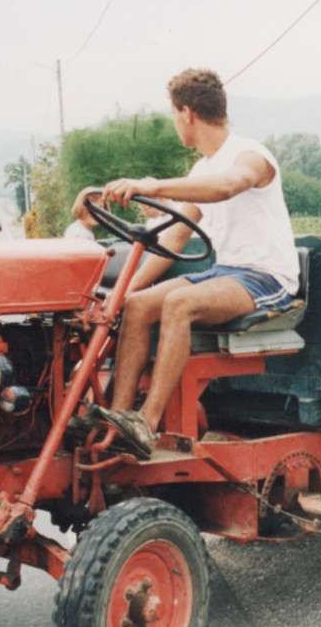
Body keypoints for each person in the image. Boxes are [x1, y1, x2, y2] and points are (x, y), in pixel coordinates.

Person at [80, 68, 299, 458]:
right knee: (139, 305)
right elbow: (173, 240)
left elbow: (227, 187)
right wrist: (119, 295)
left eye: (173, 116)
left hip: (266, 277)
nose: (175, 124)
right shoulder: (201, 170)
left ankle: (146, 423)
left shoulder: (251, 155)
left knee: (179, 304)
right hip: (227, 273)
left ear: (187, 113)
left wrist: (152, 185)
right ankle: (117, 416)